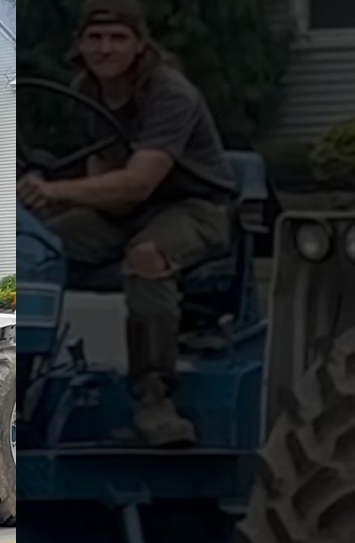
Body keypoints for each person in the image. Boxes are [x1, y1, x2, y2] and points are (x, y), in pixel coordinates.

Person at [18, 0, 236, 448]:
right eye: (95, 38)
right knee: (37, 249)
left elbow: (137, 183)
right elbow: (102, 173)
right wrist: (48, 199)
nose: (106, 48)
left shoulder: (170, 93)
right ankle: (23, 390)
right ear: (80, 44)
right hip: (124, 213)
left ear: (140, 45)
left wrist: (55, 191)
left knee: (147, 256)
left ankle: (155, 403)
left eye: (118, 37)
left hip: (194, 208)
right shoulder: (87, 89)